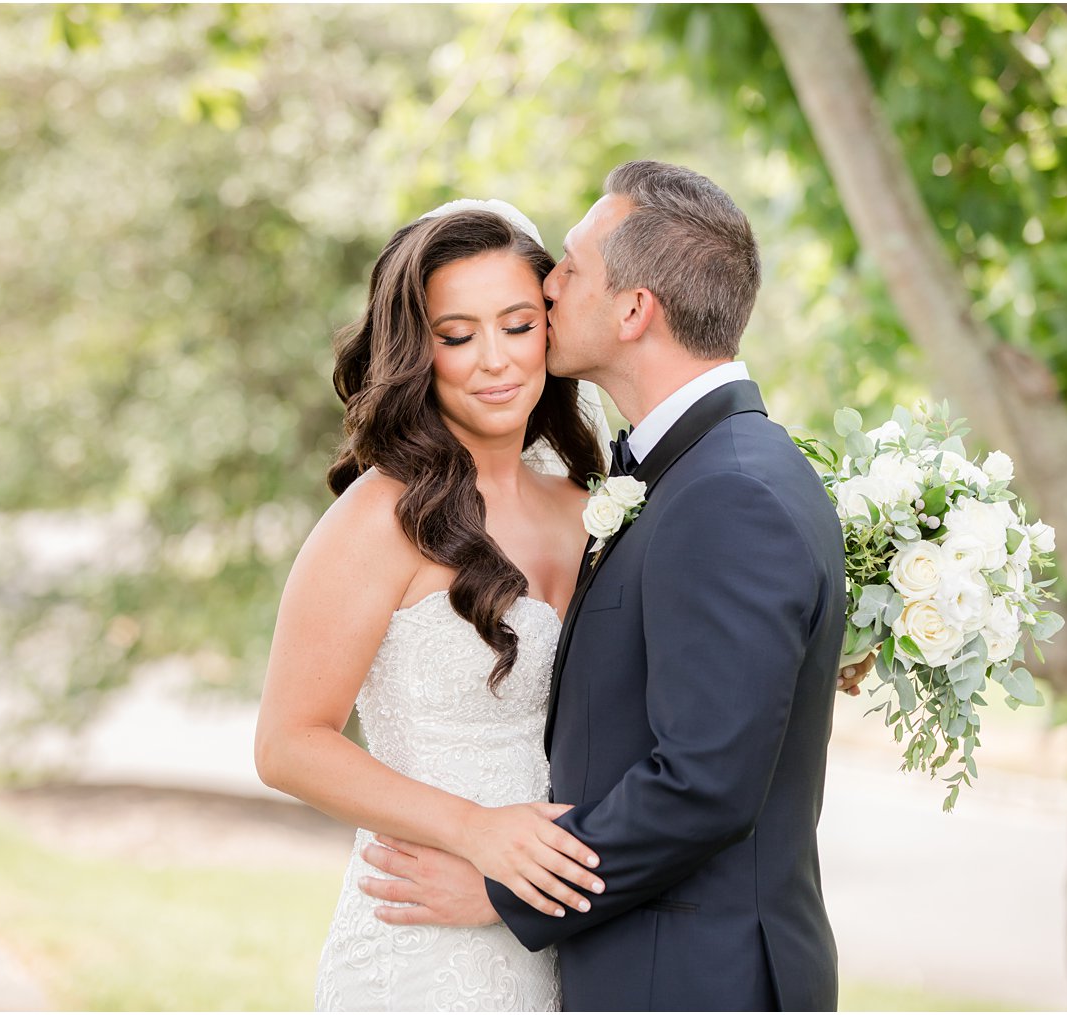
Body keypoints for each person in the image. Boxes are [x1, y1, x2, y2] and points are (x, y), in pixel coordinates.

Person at [357, 161, 849, 1011]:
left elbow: (704, 782)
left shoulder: (726, 490)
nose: (549, 284)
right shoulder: (693, 474)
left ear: (634, 310)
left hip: (693, 980)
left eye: (571, 267)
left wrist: (500, 891)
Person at [254, 201, 613, 1011]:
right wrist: (474, 830)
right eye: (457, 336)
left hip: (561, 935)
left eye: (518, 325)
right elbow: (287, 743)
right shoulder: (378, 518)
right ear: (418, 352)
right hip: (423, 936)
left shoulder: (591, 506)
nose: (495, 360)